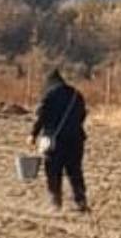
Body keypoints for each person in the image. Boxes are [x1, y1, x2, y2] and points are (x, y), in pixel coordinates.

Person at [30, 68, 88, 212]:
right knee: (75, 170)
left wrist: (33, 134)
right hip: (76, 139)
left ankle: (55, 203)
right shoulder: (76, 94)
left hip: (54, 140)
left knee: (53, 171)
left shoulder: (49, 95)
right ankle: (80, 200)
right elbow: (82, 115)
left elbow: (41, 117)